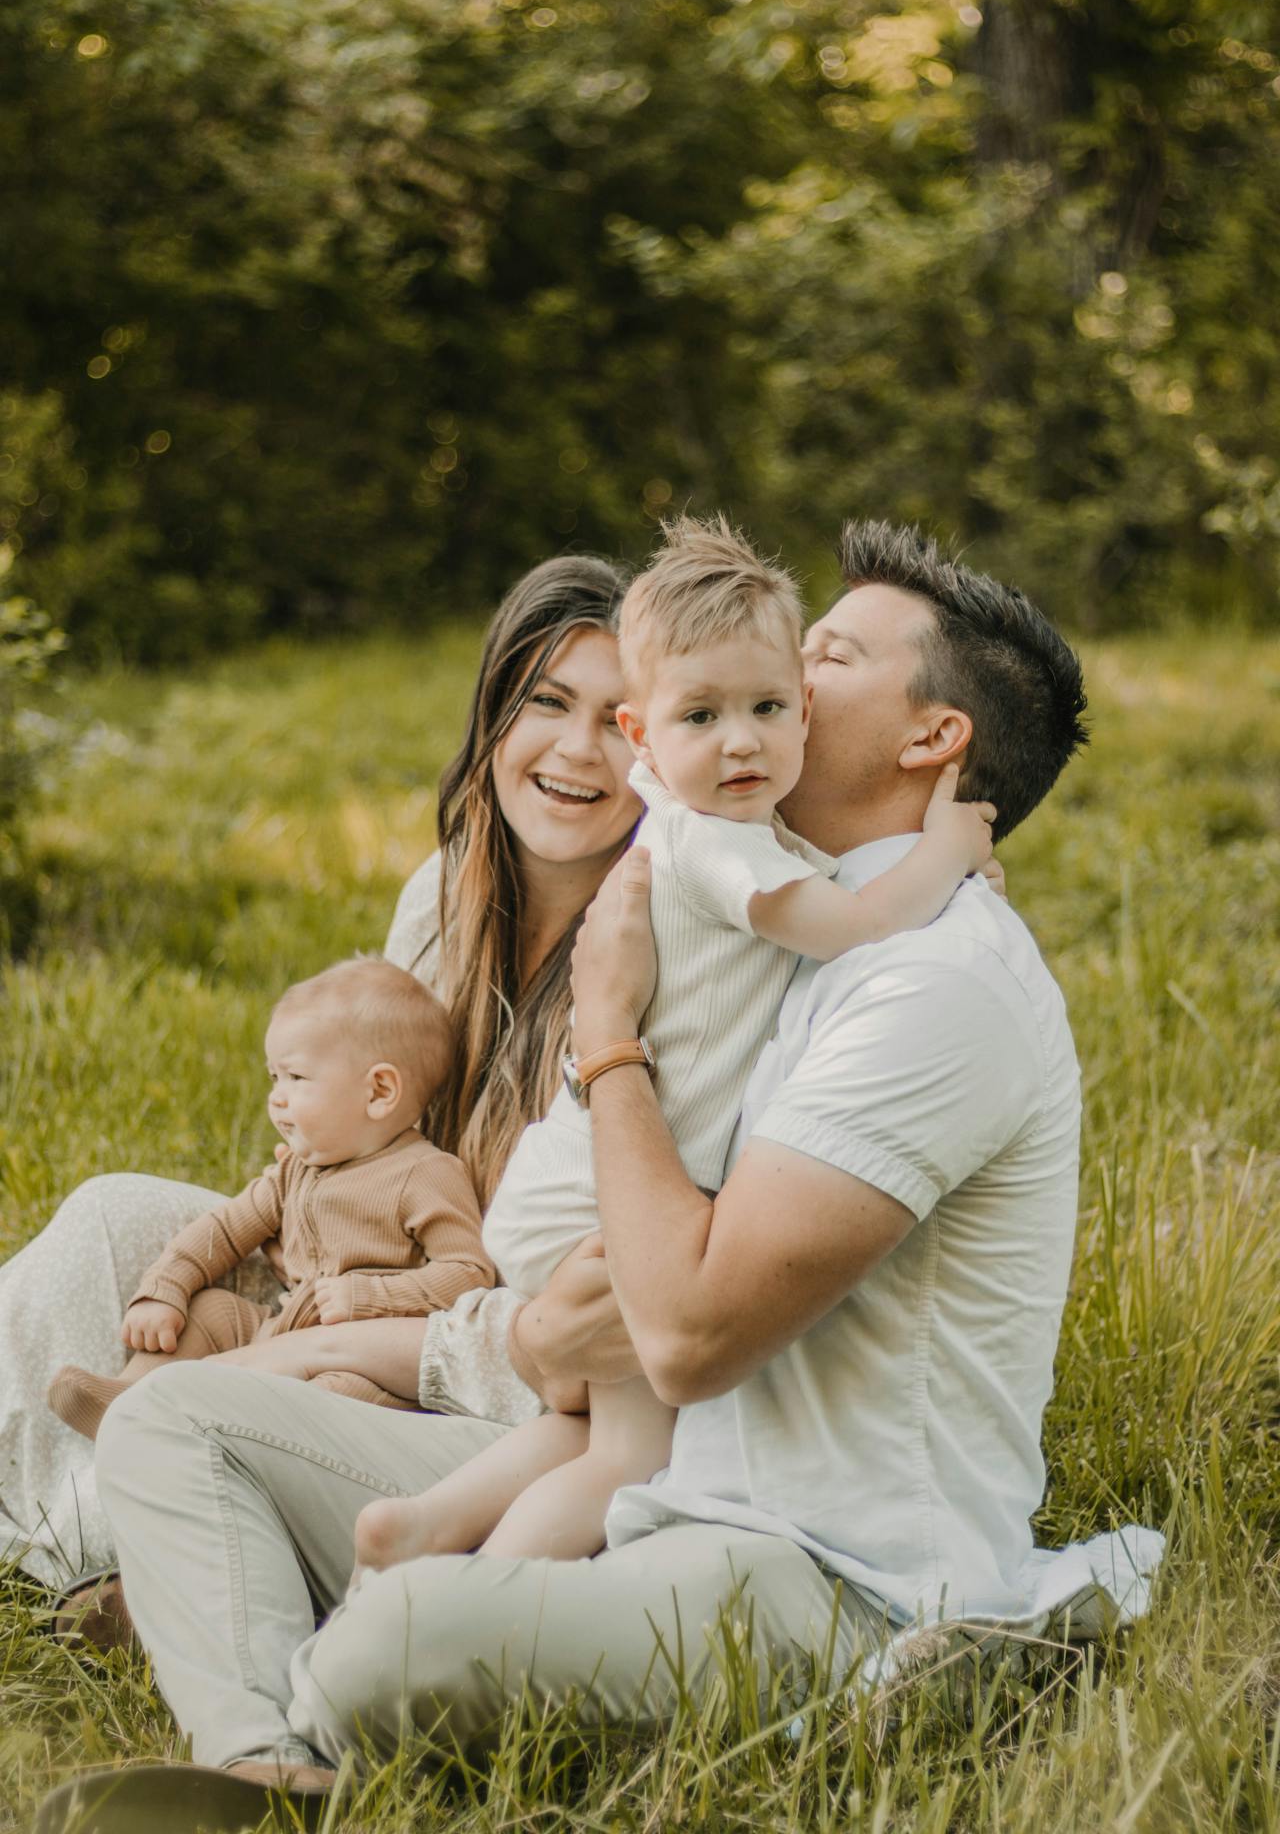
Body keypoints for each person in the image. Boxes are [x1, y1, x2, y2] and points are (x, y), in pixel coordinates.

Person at [78, 518, 1107, 1821]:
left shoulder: (937, 985)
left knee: (387, 1651)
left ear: (931, 737)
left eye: (828, 651)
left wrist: (608, 1034)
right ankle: (257, 1769)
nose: (780, 654)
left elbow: (679, 1337)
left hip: (810, 1561)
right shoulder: (739, 894)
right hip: (624, 1466)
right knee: (173, 1423)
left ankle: (339, 1668)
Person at [353, 524, 994, 1574]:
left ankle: (419, 1528)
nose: (741, 744)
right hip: (593, 1201)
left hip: (578, 1186)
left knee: (597, 1440)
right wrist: (946, 852)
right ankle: (468, 1604)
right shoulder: (715, 847)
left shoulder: (696, 813)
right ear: (644, 733)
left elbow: (827, 879)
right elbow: (854, 925)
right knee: (630, 1460)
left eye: (768, 709)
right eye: (704, 717)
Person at [0, 553, 640, 1598]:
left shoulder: (658, 947)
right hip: (348, 1283)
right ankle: (88, 1524)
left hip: (484, 1367)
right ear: (495, 716)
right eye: (548, 702)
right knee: (114, 1217)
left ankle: (94, 1552)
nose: (577, 749)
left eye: (618, 719)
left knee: (291, 1388)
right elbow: (353, 1131)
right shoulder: (444, 897)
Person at [46, 957, 492, 1441]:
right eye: (272, 1078)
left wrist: (369, 1296)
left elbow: (469, 1274)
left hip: (368, 1363)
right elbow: (223, 1229)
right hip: (278, 1332)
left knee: (338, 1395)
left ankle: (213, 1434)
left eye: (296, 1078)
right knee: (213, 1311)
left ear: (380, 1091)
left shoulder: (426, 1174)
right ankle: (128, 1396)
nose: (276, 1098)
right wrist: (165, 1286)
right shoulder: (295, 1172)